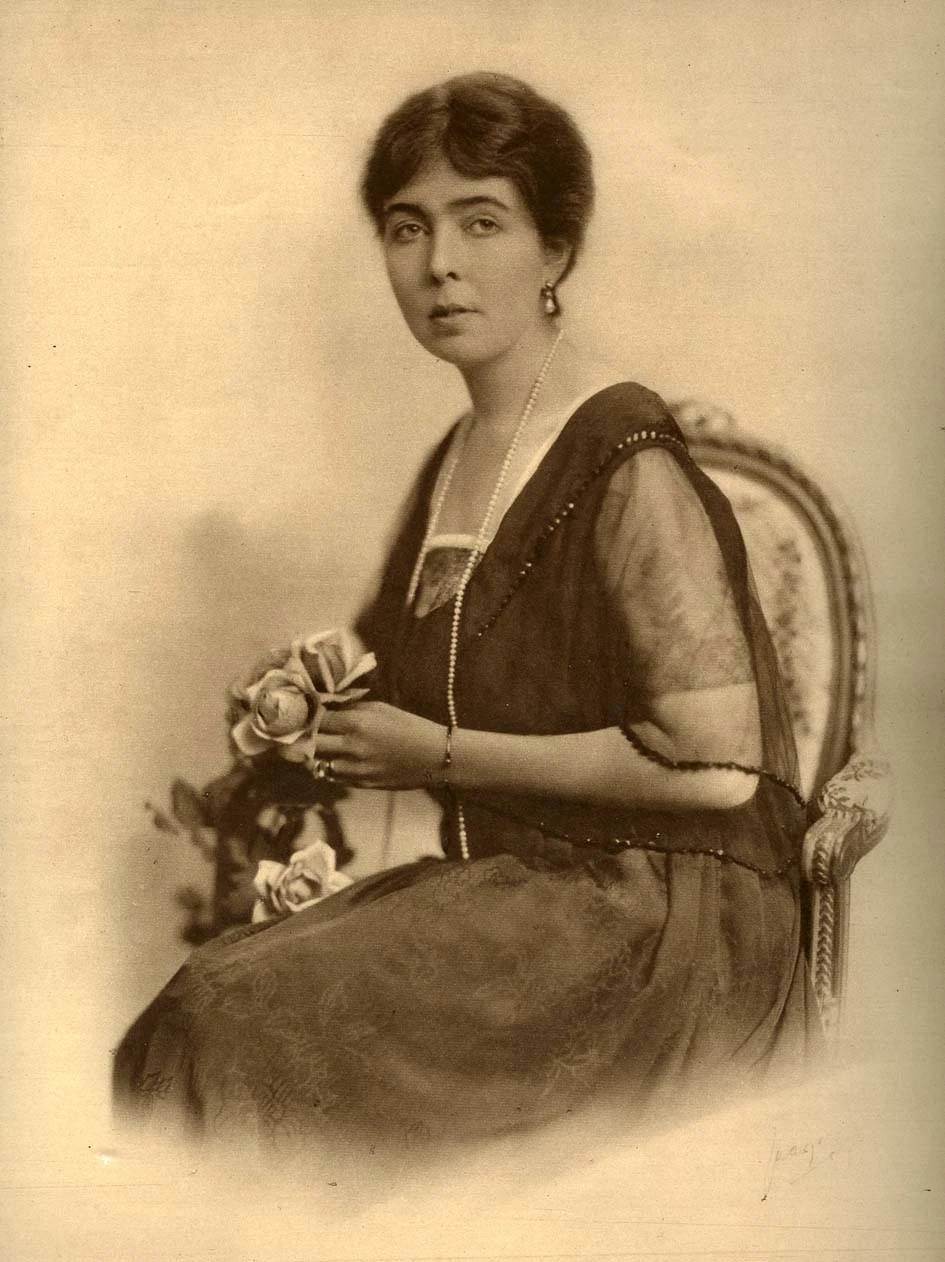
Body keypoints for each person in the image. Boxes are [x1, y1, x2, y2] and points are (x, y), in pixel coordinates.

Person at [113, 72, 821, 1147]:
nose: (438, 262)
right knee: (205, 1000)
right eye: (408, 228)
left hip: (659, 912)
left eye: (480, 221)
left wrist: (435, 754)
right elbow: (401, 674)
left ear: (555, 250)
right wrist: (300, 711)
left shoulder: (624, 453)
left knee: (226, 1022)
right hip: (519, 889)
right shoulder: (458, 458)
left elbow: (720, 769)